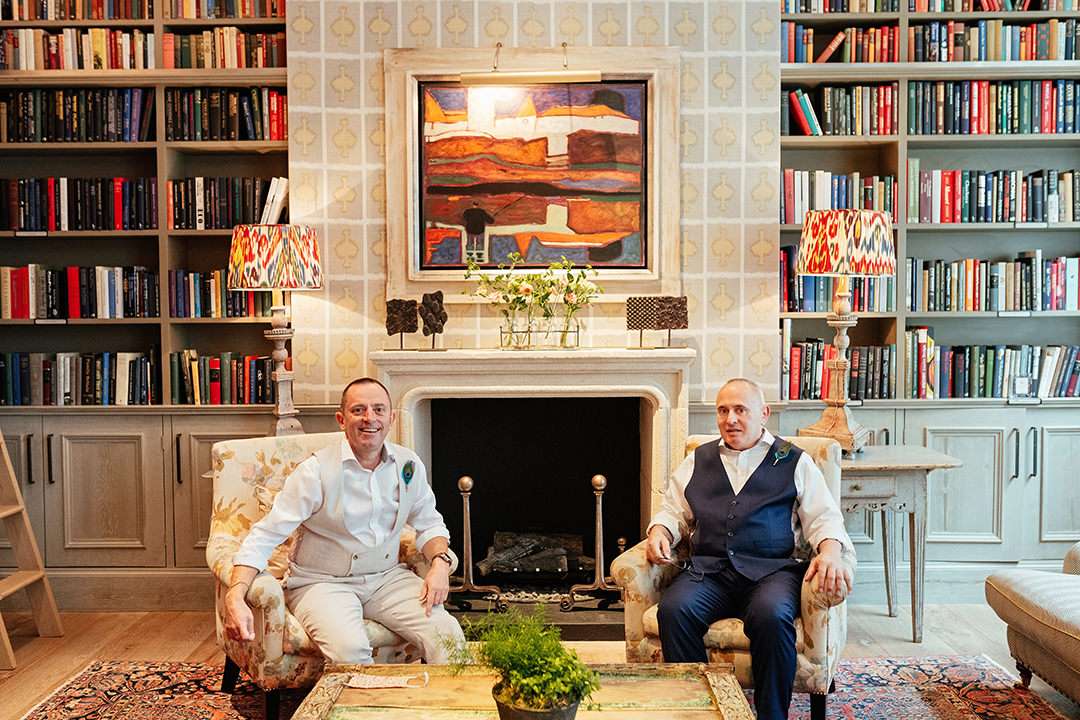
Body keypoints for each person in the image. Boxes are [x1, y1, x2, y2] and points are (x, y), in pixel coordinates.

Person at [646, 378, 852, 720]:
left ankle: (771, 715)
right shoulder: (699, 459)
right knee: (674, 610)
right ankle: (698, 709)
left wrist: (829, 551)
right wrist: (659, 532)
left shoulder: (794, 461)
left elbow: (824, 519)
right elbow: (672, 511)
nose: (731, 419)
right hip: (708, 572)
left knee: (771, 617)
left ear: (763, 414)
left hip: (771, 573)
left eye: (740, 410)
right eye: (723, 410)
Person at [223, 377, 465, 664]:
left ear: (391, 418)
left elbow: (430, 522)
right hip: (321, 584)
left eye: (378, 410)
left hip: (387, 579)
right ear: (341, 419)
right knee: (351, 651)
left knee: (447, 634)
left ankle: (446, 707)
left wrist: (439, 563)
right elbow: (266, 535)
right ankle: (369, 708)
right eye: (358, 410)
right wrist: (235, 595)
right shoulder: (315, 472)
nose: (369, 419)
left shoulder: (408, 465)